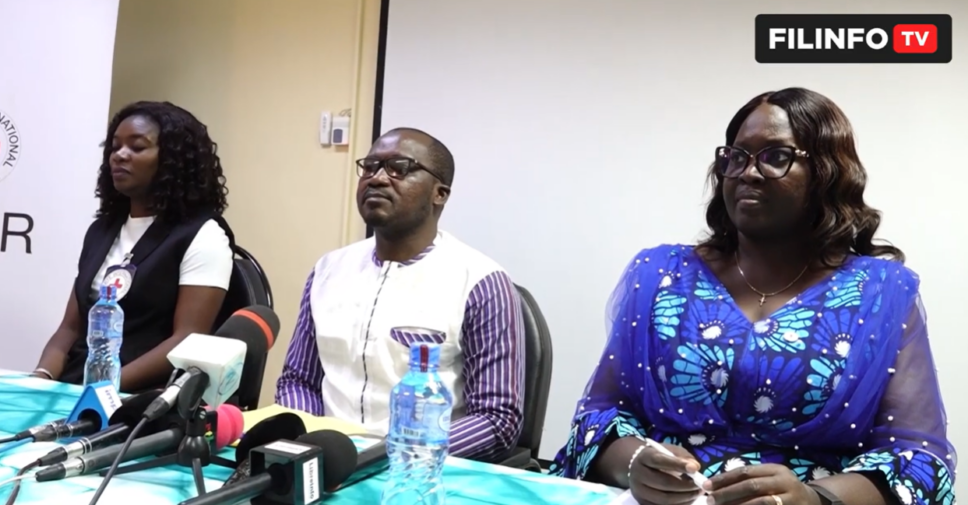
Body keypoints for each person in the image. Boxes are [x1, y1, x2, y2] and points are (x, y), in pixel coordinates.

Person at [551, 88, 956, 505]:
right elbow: (600, 416)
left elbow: (917, 457)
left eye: (775, 156)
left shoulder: (880, 294)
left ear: (827, 172)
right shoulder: (662, 275)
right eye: (737, 157)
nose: (748, 173)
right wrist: (636, 463)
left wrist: (815, 499)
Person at [275, 127, 525, 461]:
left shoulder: (481, 281)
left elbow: (497, 419)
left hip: (419, 470)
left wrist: (392, 455)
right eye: (370, 167)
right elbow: (298, 381)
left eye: (399, 168)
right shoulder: (328, 270)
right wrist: (308, 443)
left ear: (439, 194)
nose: (377, 179)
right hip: (326, 463)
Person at [32, 101, 235, 393]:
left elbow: (187, 339)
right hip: (75, 388)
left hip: (140, 398)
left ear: (172, 160)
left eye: (137, 147)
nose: (119, 155)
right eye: (115, 147)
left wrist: (102, 391)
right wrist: (40, 379)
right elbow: (70, 329)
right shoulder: (101, 231)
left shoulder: (204, 235)